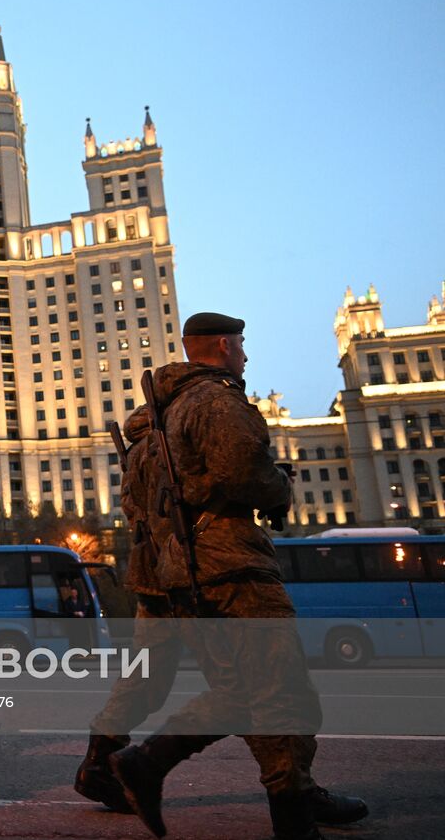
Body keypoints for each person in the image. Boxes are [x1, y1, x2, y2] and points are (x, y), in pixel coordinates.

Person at [106, 312, 367, 840]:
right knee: (278, 688)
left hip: (185, 572)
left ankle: (295, 798)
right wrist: (280, 489)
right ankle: (153, 762)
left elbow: (141, 509)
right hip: (231, 564)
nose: (246, 355)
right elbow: (244, 472)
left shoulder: (158, 423)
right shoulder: (215, 400)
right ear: (224, 345)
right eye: (242, 345)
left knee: (253, 691)